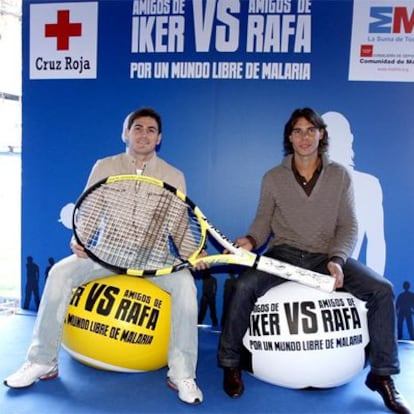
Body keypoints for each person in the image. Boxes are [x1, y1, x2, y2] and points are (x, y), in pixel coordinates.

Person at [217, 108, 412, 414]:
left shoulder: (340, 175)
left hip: (326, 256)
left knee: (382, 289)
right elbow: (262, 222)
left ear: (322, 135)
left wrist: (336, 259)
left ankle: (382, 375)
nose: (304, 137)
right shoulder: (272, 177)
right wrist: (251, 241)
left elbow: (348, 225)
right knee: (242, 288)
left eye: (311, 130)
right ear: (289, 138)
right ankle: (230, 364)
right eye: (297, 131)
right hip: (284, 255)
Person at [4, 107, 203, 405]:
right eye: (137, 128)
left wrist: (193, 254)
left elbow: (178, 224)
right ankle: (42, 361)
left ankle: (182, 374)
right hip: (107, 251)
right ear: (125, 134)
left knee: (186, 285)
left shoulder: (174, 176)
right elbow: (89, 211)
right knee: (60, 272)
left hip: (155, 257)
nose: (144, 134)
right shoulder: (104, 166)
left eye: (151, 130)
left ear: (159, 138)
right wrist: (79, 239)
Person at [322, 111, 386, 275]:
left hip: (348, 277)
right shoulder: (308, 184)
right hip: (311, 276)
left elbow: (376, 244)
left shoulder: (368, 185)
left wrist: (374, 284)